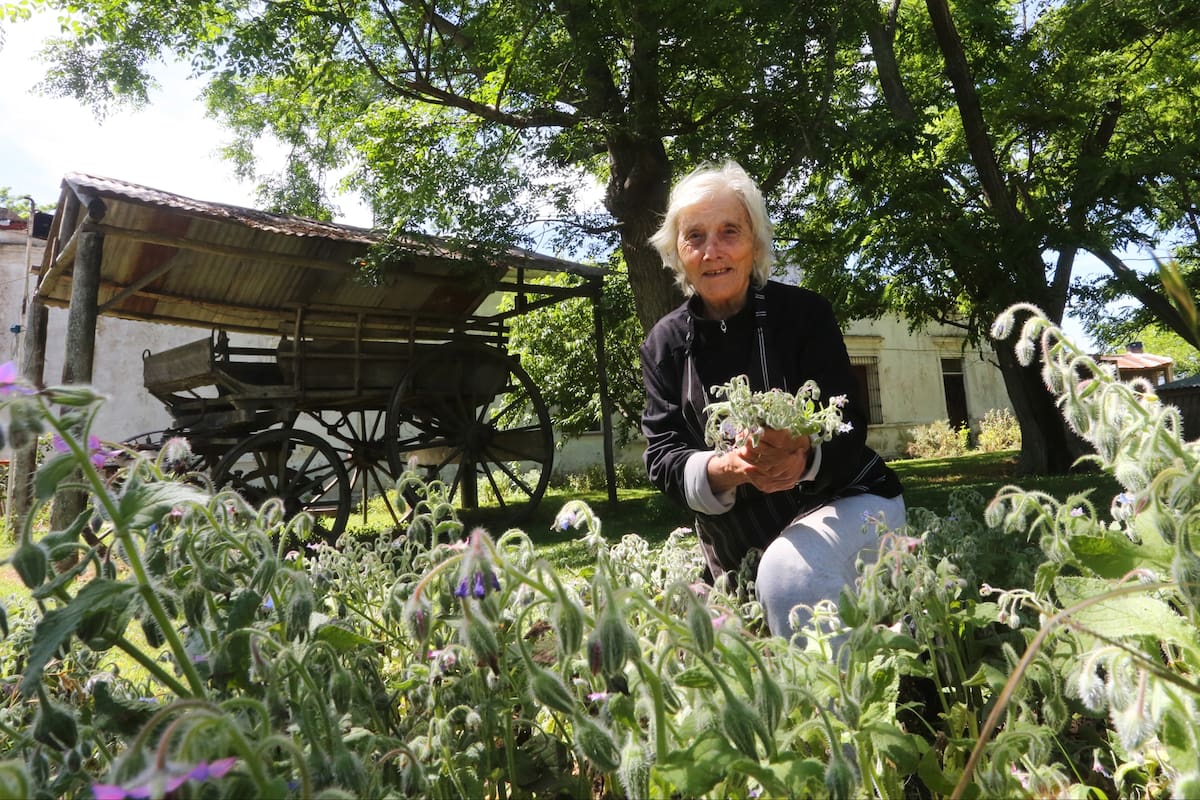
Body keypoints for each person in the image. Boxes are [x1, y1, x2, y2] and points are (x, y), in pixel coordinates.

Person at [640, 160, 905, 642]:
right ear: (677, 252)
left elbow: (847, 424)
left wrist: (801, 456)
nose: (712, 251)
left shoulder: (802, 316)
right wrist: (730, 467)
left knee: (786, 573)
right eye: (694, 236)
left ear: (755, 244)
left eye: (729, 232)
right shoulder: (665, 343)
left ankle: (838, 712)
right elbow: (662, 457)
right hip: (735, 538)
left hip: (849, 500)